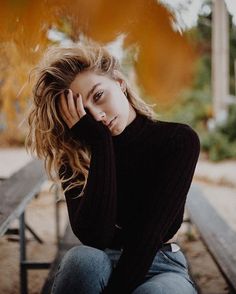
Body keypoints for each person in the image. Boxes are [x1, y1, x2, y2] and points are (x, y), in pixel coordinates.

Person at [26, 40, 200, 294]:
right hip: (99, 261)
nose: (98, 116)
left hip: (160, 263)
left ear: (120, 82)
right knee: (80, 260)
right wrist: (100, 143)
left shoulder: (177, 141)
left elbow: (148, 235)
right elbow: (95, 237)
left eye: (98, 96)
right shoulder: (74, 158)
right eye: (85, 112)